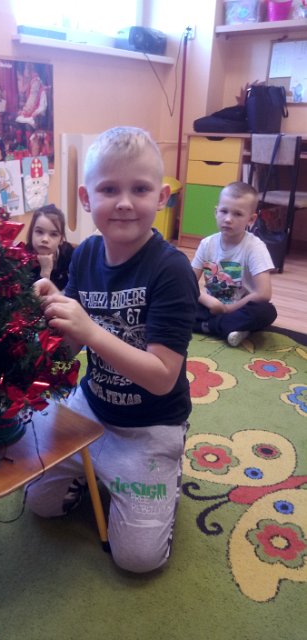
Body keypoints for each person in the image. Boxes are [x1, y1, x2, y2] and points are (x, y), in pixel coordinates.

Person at [26, 126, 199, 573]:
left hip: (151, 422)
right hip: (92, 407)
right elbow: (70, 346)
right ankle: (100, 470)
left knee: (138, 560)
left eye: (139, 189)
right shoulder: (84, 255)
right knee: (39, 502)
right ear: (86, 199)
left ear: (161, 197)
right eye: (109, 189)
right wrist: (55, 308)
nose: (124, 202)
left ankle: (155, 477)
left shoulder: (172, 270)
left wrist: (90, 331)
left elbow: (162, 377)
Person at [191, 181, 277, 347]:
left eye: (238, 214)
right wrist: (209, 301)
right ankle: (226, 328)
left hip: (239, 308)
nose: (228, 219)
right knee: (175, 300)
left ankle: (207, 326)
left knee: (266, 311)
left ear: (251, 219)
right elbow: (188, 282)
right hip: (209, 307)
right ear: (216, 212)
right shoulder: (207, 244)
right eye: (224, 211)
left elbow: (264, 293)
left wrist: (228, 309)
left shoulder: (254, 247)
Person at [26, 204, 74, 290]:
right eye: (39, 232)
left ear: (61, 239)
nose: (45, 239)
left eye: (53, 234)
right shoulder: (23, 259)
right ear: (31, 233)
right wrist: (45, 272)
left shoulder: (69, 253)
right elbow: (31, 297)